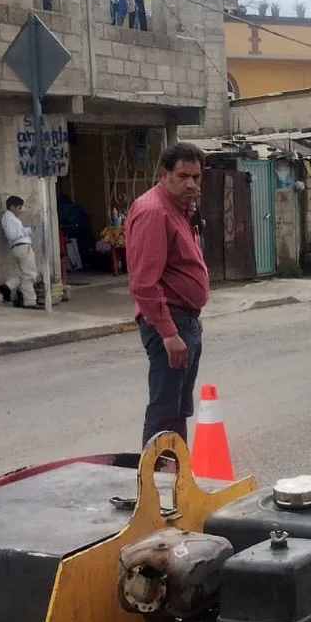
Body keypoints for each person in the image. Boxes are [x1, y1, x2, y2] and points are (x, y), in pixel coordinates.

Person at [125, 142, 211, 447]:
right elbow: (144, 283)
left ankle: (176, 477)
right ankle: (154, 485)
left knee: (178, 409)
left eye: (196, 177)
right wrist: (169, 333)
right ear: (165, 175)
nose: (191, 184)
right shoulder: (154, 212)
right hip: (169, 323)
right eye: (183, 176)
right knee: (164, 410)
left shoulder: (182, 209)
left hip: (186, 320)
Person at [0, 195, 42, 309]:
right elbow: (12, 234)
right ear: (12, 207)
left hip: (20, 246)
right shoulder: (7, 218)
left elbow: (19, 231)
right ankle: (30, 301)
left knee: (23, 274)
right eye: (19, 208)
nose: (20, 210)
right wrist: (24, 232)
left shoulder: (12, 218)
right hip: (22, 246)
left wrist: (27, 230)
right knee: (30, 274)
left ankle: (9, 286)